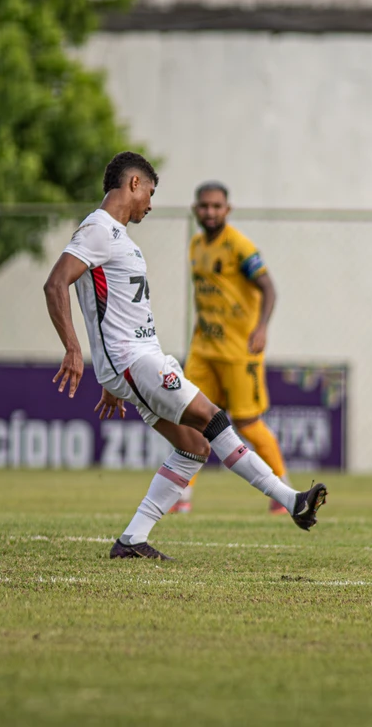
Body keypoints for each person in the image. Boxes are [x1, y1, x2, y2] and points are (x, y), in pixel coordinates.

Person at [43, 152, 327, 560]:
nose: (151, 204)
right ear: (134, 184)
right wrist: (75, 349)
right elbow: (55, 284)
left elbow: (108, 309)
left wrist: (112, 378)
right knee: (214, 418)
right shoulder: (99, 229)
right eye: (150, 193)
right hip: (136, 362)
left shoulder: (117, 237)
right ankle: (291, 499)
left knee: (195, 447)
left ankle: (131, 540)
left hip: (133, 365)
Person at [172, 181, 289, 514]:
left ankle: (281, 488)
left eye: (216, 206)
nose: (210, 212)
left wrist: (262, 327)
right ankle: (181, 497)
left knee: (248, 422)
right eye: (204, 206)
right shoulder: (195, 245)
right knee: (188, 420)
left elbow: (269, 289)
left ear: (227, 209)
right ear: (196, 210)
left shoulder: (239, 246)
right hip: (204, 350)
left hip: (239, 351)